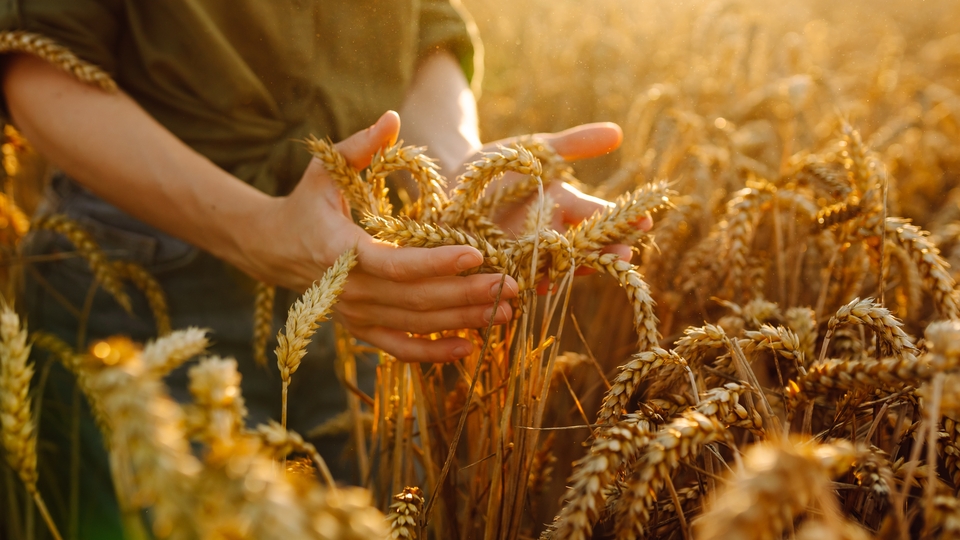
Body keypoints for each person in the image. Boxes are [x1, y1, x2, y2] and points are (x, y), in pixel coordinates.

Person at [0, 1, 646, 537]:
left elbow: (421, 29)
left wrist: (458, 173)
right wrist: (260, 232)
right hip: (141, 283)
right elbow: (39, 57)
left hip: (358, 272)